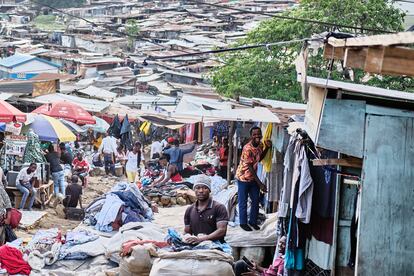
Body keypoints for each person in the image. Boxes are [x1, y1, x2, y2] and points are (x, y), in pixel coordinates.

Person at [235, 126, 271, 231]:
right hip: (243, 178)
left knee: (256, 199)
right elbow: (250, 167)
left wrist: (267, 148)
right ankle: (243, 223)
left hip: (253, 178)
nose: (257, 136)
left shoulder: (260, 145)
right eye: (254, 134)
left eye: (259, 134)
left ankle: (253, 222)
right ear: (251, 136)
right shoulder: (247, 148)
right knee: (243, 201)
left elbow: (260, 158)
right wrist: (260, 183)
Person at [184, 174, 228, 244]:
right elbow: (187, 232)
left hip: (216, 246)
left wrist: (202, 239)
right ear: (194, 190)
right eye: (198, 188)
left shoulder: (219, 207)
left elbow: (222, 230)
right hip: (197, 245)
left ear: (209, 190)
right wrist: (185, 238)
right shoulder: (189, 210)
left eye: (205, 188)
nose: (201, 191)